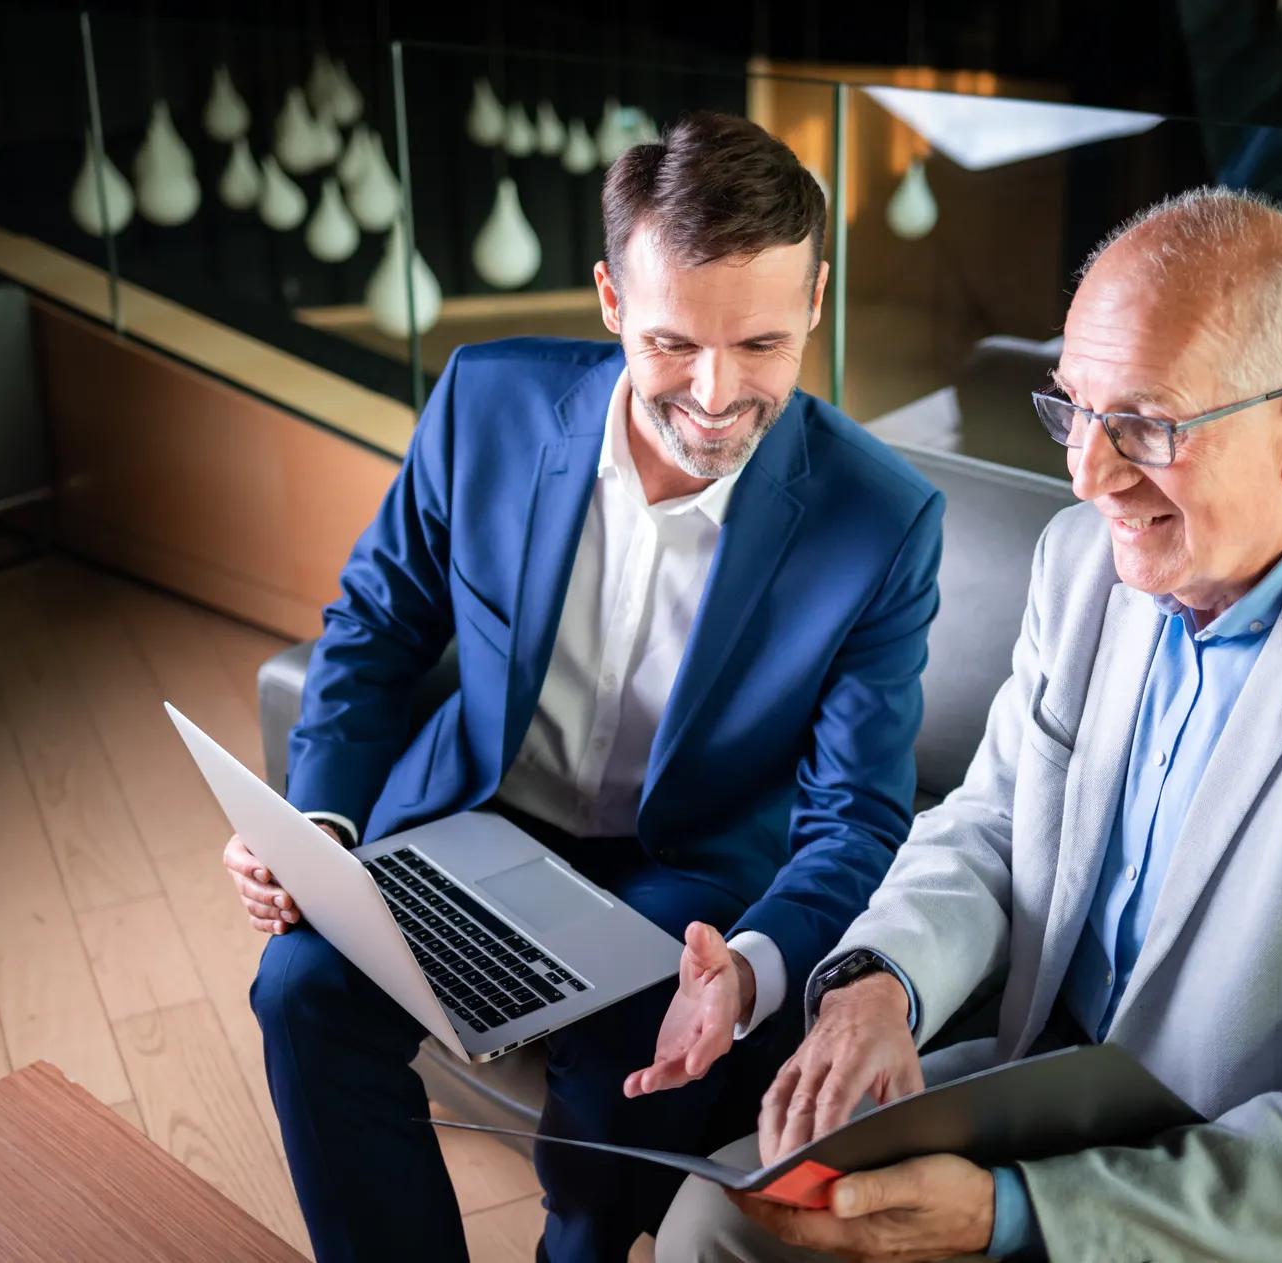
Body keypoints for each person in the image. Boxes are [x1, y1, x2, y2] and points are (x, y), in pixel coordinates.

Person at [658, 186, 1282, 1262]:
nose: (1087, 476)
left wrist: (1012, 1218)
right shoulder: (1086, 563)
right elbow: (992, 823)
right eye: (1072, 411)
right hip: (1067, 1090)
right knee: (718, 1226)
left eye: (1143, 423)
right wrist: (879, 982)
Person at [225, 112, 944, 1263]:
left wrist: (754, 965)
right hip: (468, 826)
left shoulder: (881, 524)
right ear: (611, 299)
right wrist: (316, 825)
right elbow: (373, 626)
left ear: (814, 303)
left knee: (613, 1130)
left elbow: (856, 814)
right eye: (672, 345)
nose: (715, 397)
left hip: (682, 883)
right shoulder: (483, 403)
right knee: (297, 993)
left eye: (760, 345)